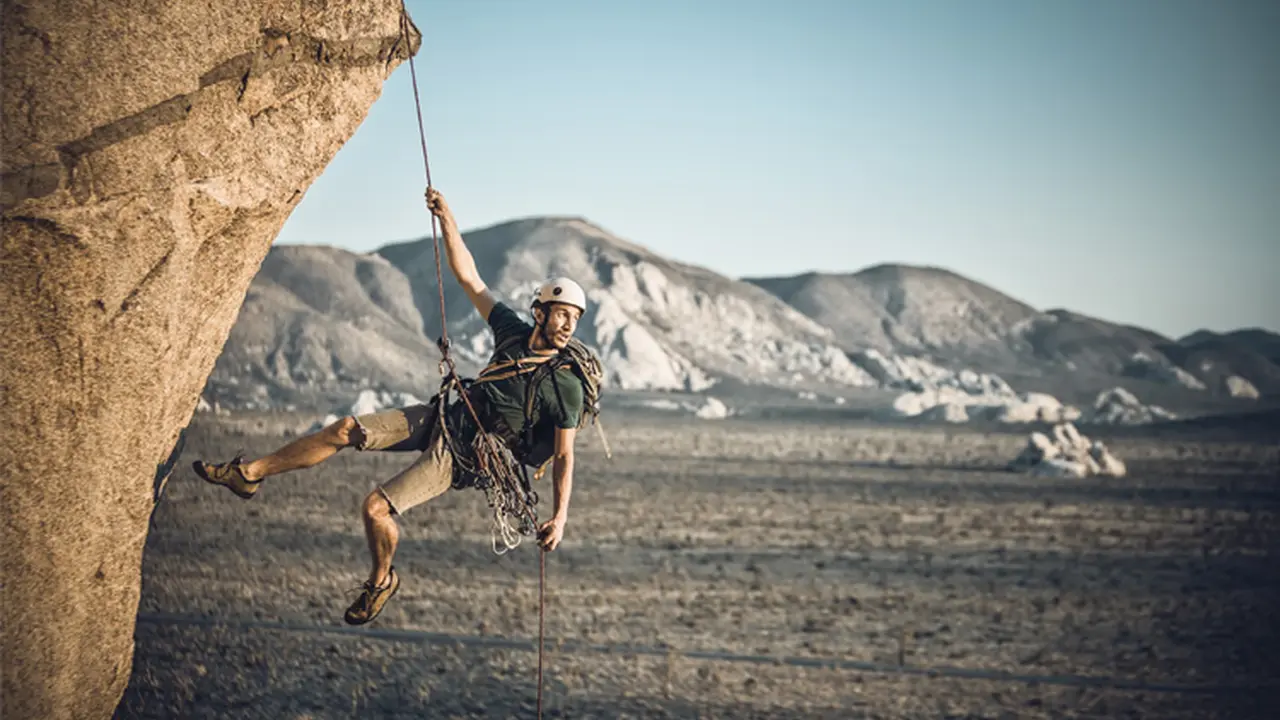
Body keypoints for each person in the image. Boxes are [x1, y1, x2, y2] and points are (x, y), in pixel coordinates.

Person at [192, 187, 593, 626]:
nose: (568, 324)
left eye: (575, 318)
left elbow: (565, 455)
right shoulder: (511, 331)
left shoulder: (565, 385)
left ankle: (382, 582)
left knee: (375, 508)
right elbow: (470, 279)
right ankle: (248, 475)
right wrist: (447, 219)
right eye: (562, 314)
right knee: (345, 429)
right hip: (446, 415)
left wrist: (560, 517)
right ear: (541, 312)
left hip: (464, 455)